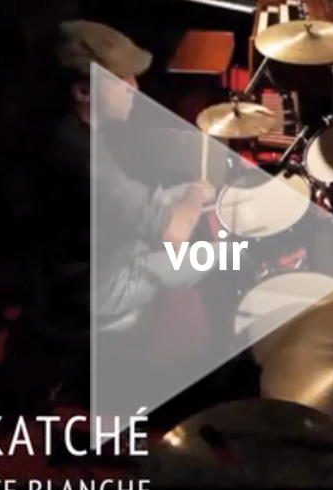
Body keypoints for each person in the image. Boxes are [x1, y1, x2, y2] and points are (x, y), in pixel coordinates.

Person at [44, 20, 219, 321]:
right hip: (99, 287)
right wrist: (194, 197)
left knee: (180, 195)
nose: (135, 89)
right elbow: (174, 235)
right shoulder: (84, 160)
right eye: (121, 80)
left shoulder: (65, 128)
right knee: (221, 257)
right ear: (83, 91)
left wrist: (188, 198)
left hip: (95, 251)